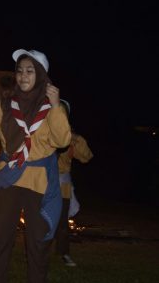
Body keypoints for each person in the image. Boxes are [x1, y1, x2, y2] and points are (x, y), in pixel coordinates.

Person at [0, 49, 71, 282]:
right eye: (20, 71)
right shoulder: (6, 105)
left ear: (41, 75)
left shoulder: (53, 107)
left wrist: (55, 106)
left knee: (37, 244)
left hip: (39, 182)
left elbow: (62, 140)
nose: (23, 76)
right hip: (9, 178)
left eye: (30, 71)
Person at [55, 99, 93, 267]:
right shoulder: (43, 129)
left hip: (61, 186)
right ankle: (38, 252)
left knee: (62, 224)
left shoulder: (72, 137)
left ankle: (64, 253)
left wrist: (76, 140)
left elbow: (86, 157)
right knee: (40, 221)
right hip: (41, 183)